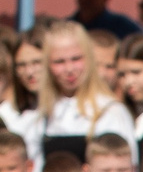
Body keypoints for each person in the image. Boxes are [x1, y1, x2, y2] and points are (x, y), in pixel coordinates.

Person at [38, 20, 132, 163]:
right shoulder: (42, 115)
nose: (69, 69)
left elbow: (127, 170)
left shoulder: (109, 111)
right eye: (59, 62)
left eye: (76, 59)